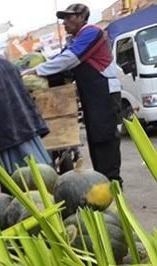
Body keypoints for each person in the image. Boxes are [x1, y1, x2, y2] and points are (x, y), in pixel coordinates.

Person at [24, 3, 122, 183]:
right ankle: (103, 181)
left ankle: (113, 183)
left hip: (104, 92)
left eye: (70, 17)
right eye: (63, 18)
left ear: (82, 17)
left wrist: (35, 71)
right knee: (95, 138)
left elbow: (70, 59)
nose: (65, 22)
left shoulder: (92, 32)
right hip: (92, 94)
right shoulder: (75, 39)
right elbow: (61, 59)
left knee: (105, 138)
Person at [0, 37, 53, 197]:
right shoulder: (7, 64)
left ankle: (16, 211)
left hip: (2, 134)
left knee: (10, 177)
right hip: (24, 125)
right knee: (33, 175)